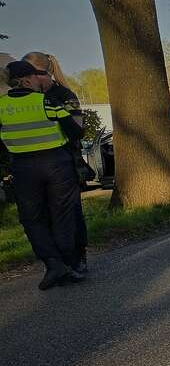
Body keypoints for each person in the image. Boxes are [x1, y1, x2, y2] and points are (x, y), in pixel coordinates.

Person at [0, 61, 86, 289]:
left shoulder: (0, 106)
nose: (40, 80)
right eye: (36, 77)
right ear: (27, 80)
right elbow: (76, 131)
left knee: (31, 218)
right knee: (63, 216)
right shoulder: (47, 101)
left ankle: (52, 263)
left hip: (22, 168)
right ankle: (68, 265)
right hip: (56, 164)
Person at [24, 51, 91, 272]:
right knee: (43, 215)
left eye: (30, 73)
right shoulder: (25, 98)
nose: (25, 79)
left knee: (70, 213)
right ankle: (56, 263)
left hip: (64, 161)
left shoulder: (64, 95)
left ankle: (77, 257)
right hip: (34, 165)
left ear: (43, 73)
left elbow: (77, 129)